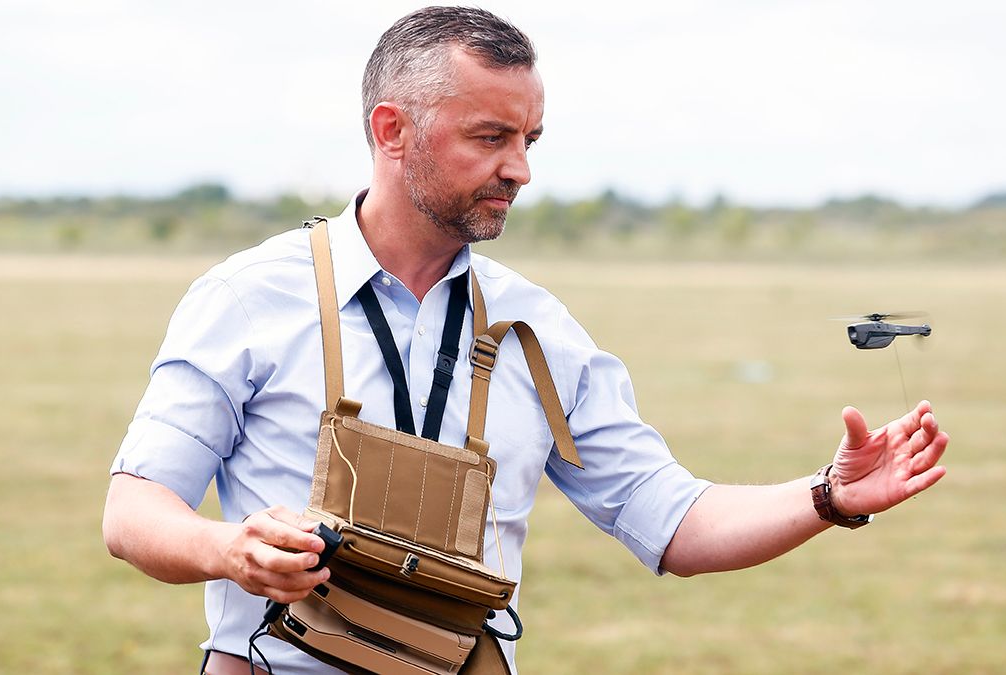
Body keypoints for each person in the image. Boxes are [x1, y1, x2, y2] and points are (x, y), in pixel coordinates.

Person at [102, 6, 948, 675]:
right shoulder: (247, 298)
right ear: (392, 131)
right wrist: (230, 548)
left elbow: (673, 523)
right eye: (490, 137)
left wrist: (828, 495)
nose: (521, 170)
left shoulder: (542, 332)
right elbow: (133, 511)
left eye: (529, 140)